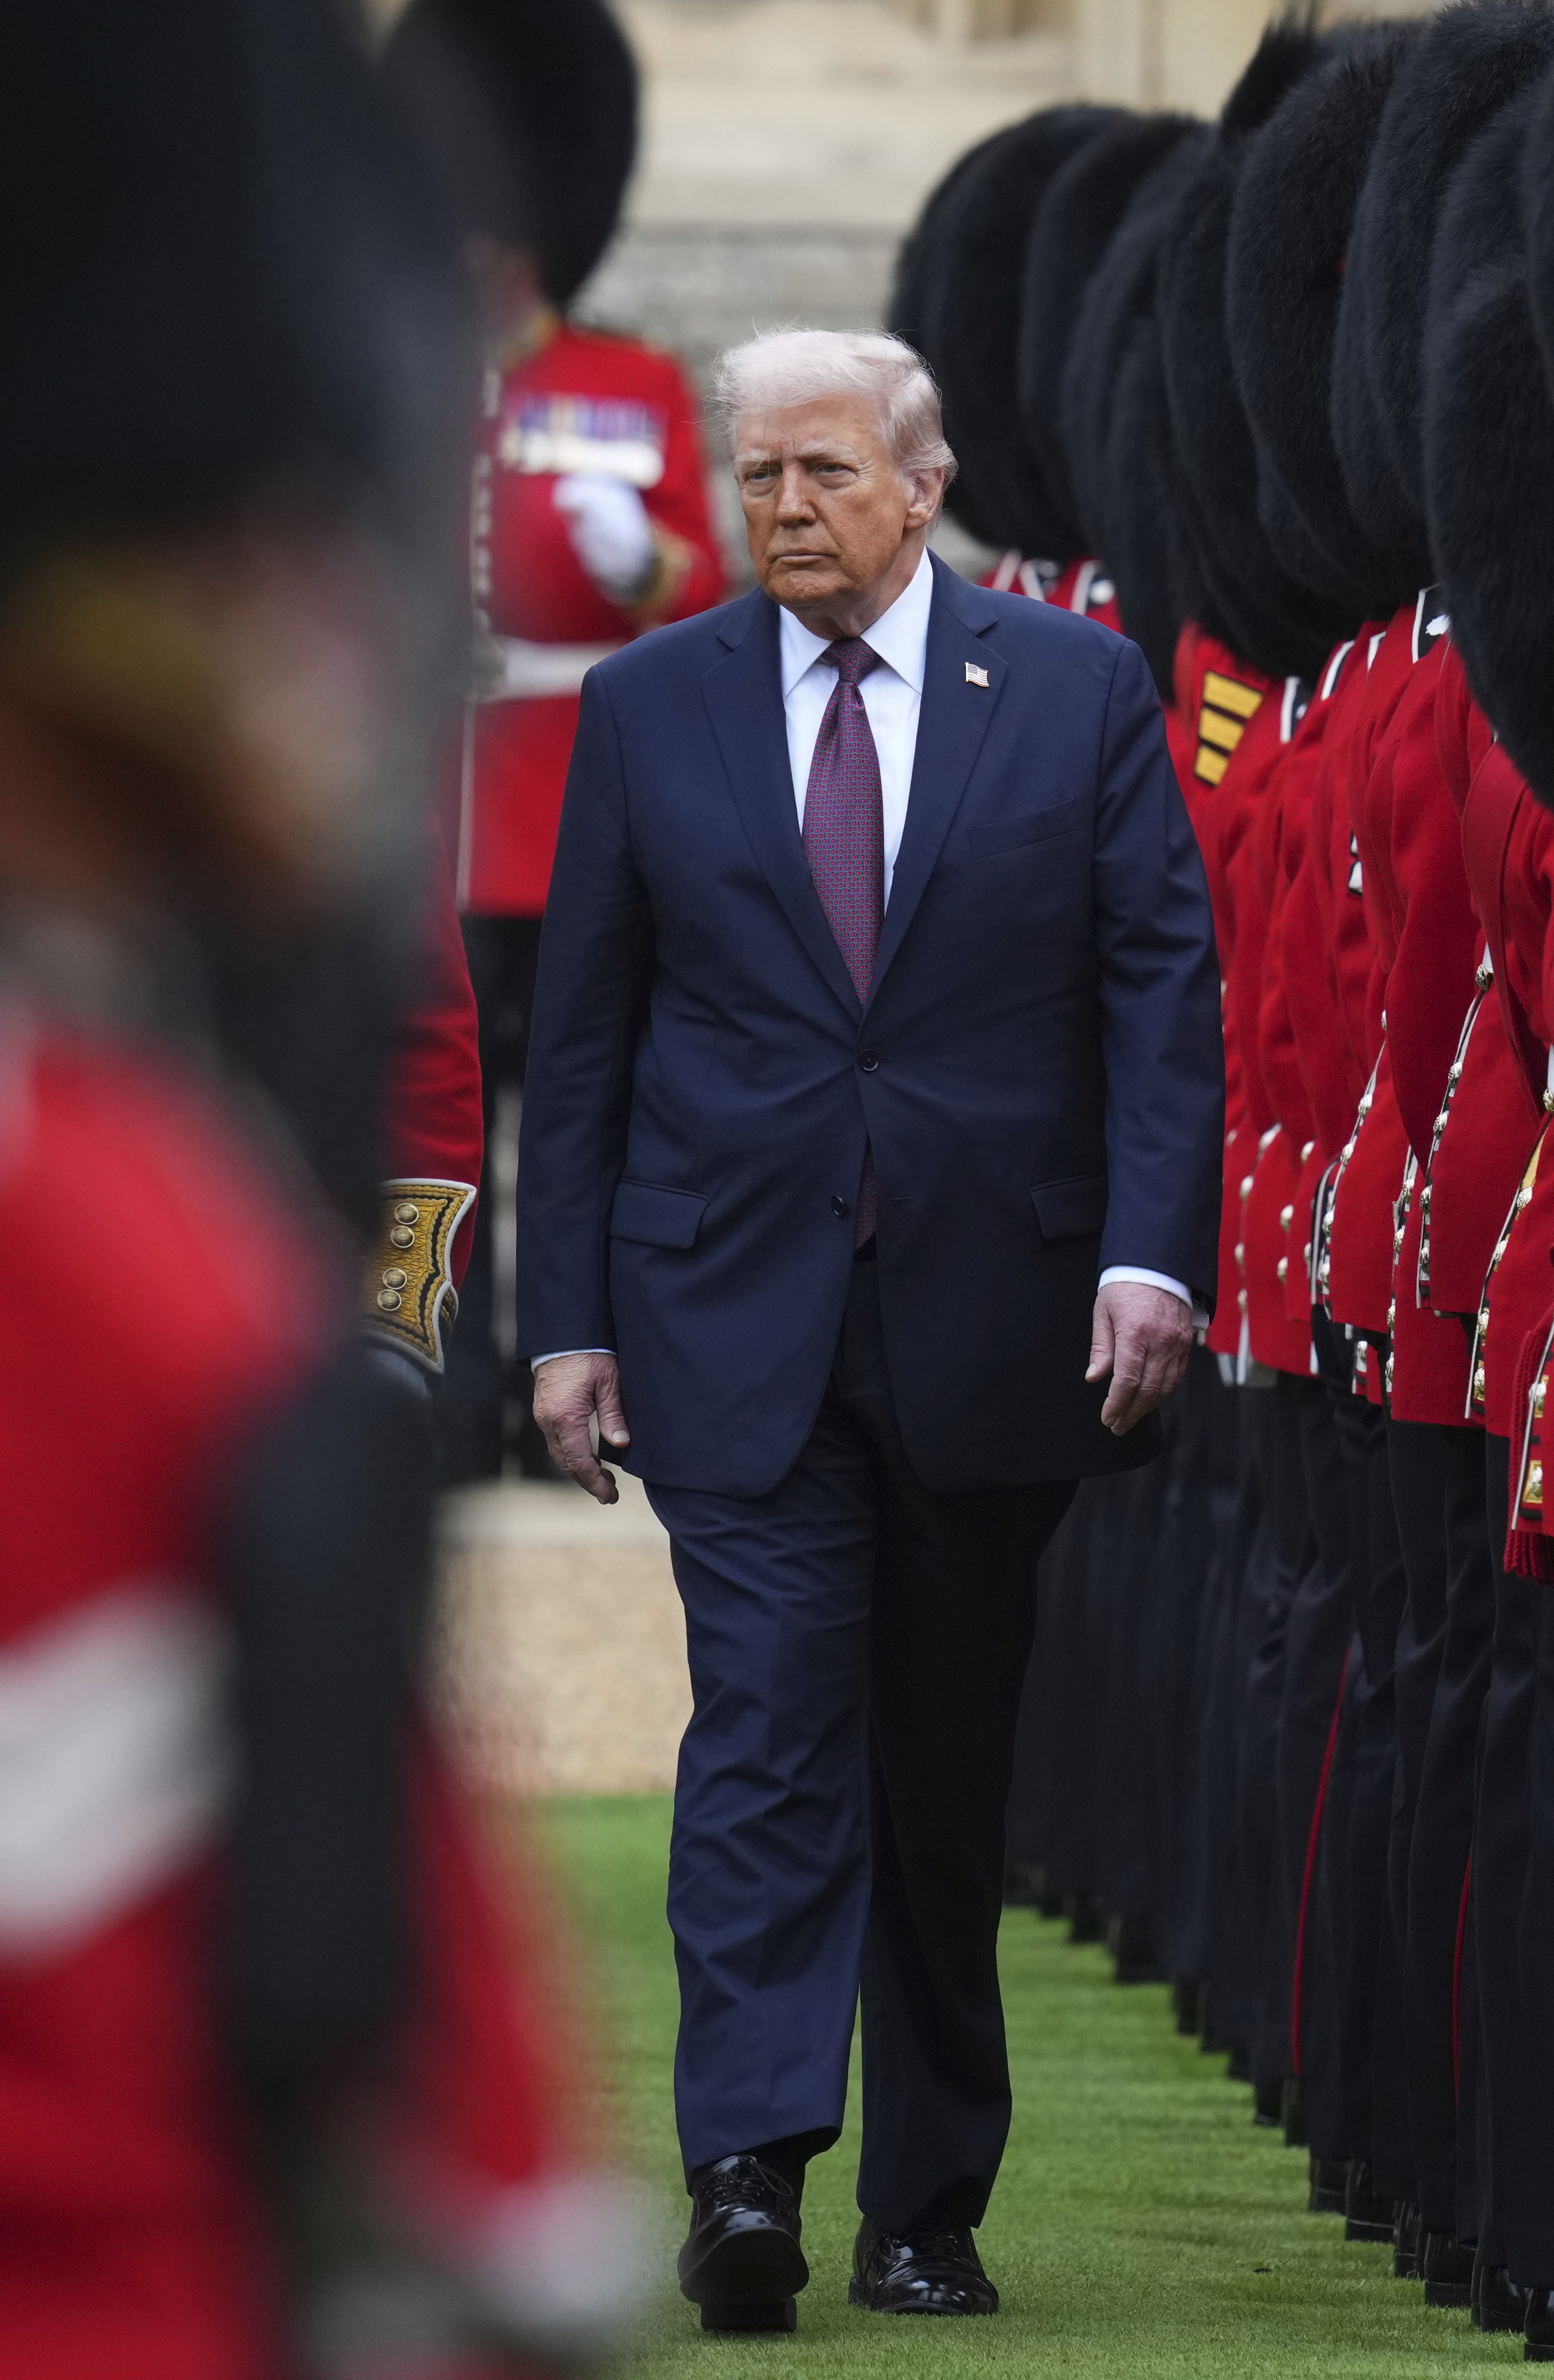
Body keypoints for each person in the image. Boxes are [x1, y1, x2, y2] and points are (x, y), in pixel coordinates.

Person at [517, 325, 1220, 2330]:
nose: (784, 510)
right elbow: (583, 1039)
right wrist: (564, 1319)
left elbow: (1158, 989)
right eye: (757, 477)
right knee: (763, 1732)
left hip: (992, 1316)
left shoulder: (1074, 691)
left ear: (924, 486)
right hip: (731, 1317)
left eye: (823, 474)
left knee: (937, 1769)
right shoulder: (655, 705)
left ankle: (926, 2200)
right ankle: (746, 2163)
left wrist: (1151, 1258)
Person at [383, 0, 723, 1477]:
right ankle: (438, 1389)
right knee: (435, 1118)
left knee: (570, 1126)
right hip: (432, 791)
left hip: (566, 796)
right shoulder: (398, 371)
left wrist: (630, 553)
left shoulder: (630, 384)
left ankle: (558, 1384)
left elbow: (704, 588)